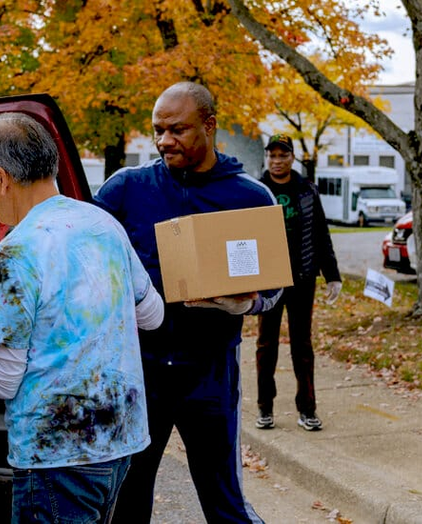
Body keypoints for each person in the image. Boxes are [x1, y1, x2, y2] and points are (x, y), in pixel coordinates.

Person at [0, 112, 165, 523]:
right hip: (122, 441)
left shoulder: (14, 254)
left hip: (56, 454)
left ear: (0, 179)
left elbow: (2, 377)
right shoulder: (104, 225)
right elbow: (153, 315)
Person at [93, 81, 281, 523]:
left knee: (225, 503)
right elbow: (86, 255)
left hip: (211, 374)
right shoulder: (126, 188)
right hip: (140, 373)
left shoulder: (250, 197)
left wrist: (244, 305)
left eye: (177, 130)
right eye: (158, 130)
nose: (163, 141)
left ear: (209, 125)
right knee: (127, 499)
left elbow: (273, 290)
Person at [255, 134, 342, 432]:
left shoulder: (307, 190)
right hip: (268, 279)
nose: (277, 161)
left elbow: (321, 233)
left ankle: (307, 408)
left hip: (302, 277)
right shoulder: (256, 190)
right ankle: (264, 406)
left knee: (302, 345)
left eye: (283, 155)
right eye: (273, 156)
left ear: (292, 158)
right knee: (266, 344)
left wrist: (332, 275)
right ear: (267, 158)